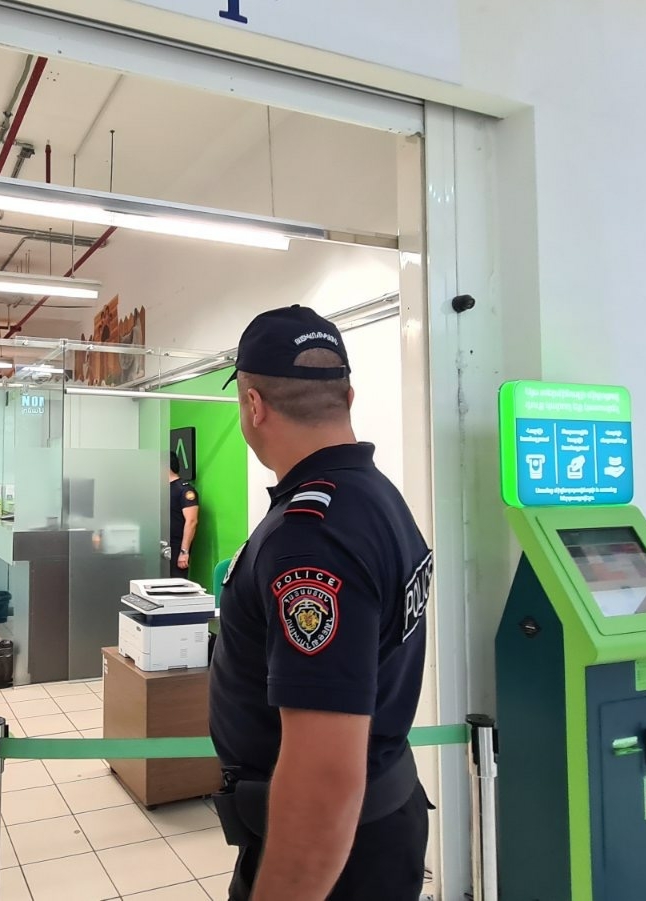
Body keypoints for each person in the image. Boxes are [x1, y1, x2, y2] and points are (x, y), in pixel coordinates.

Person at [208, 306, 434, 901]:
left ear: (253, 405)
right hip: (375, 825)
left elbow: (324, 775)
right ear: (348, 396)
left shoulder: (310, 539)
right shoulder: (376, 497)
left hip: (333, 856)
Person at [168, 452, 200, 579]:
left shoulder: (184, 490)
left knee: (175, 584)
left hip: (176, 548)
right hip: (162, 546)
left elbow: (191, 521)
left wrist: (184, 552)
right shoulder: (161, 489)